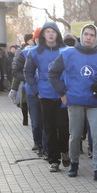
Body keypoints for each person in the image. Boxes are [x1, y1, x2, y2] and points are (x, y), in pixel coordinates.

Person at [49, 23, 97, 182]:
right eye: (86, 34)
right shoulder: (68, 54)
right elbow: (53, 73)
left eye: (92, 35)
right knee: (76, 135)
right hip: (75, 101)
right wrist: (62, 93)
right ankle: (74, 163)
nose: (88, 37)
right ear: (82, 35)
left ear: (96, 38)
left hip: (95, 102)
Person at [25, 21, 69, 172]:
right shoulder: (35, 52)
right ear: (43, 34)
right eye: (48, 31)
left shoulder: (66, 50)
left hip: (63, 94)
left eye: (53, 31)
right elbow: (28, 72)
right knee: (49, 128)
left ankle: (64, 150)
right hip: (45, 94)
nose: (51, 34)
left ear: (58, 34)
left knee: (63, 127)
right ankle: (54, 159)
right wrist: (36, 90)